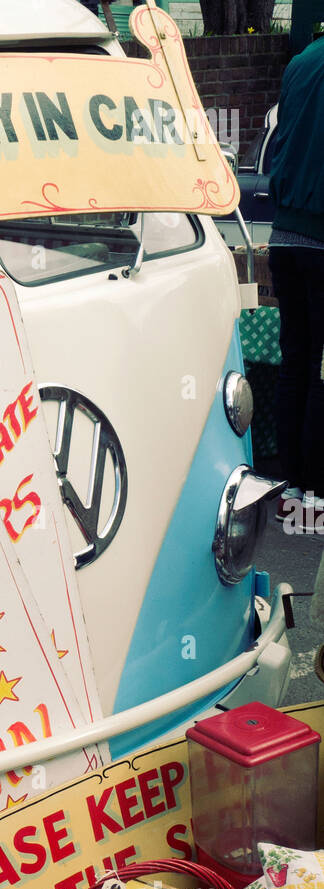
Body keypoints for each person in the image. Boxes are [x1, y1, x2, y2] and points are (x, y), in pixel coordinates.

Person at [268, 32, 324, 528]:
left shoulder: (302, 62)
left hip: (284, 234)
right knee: (320, 371)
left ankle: (294, 496)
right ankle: (316, 502)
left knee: (296, 365)